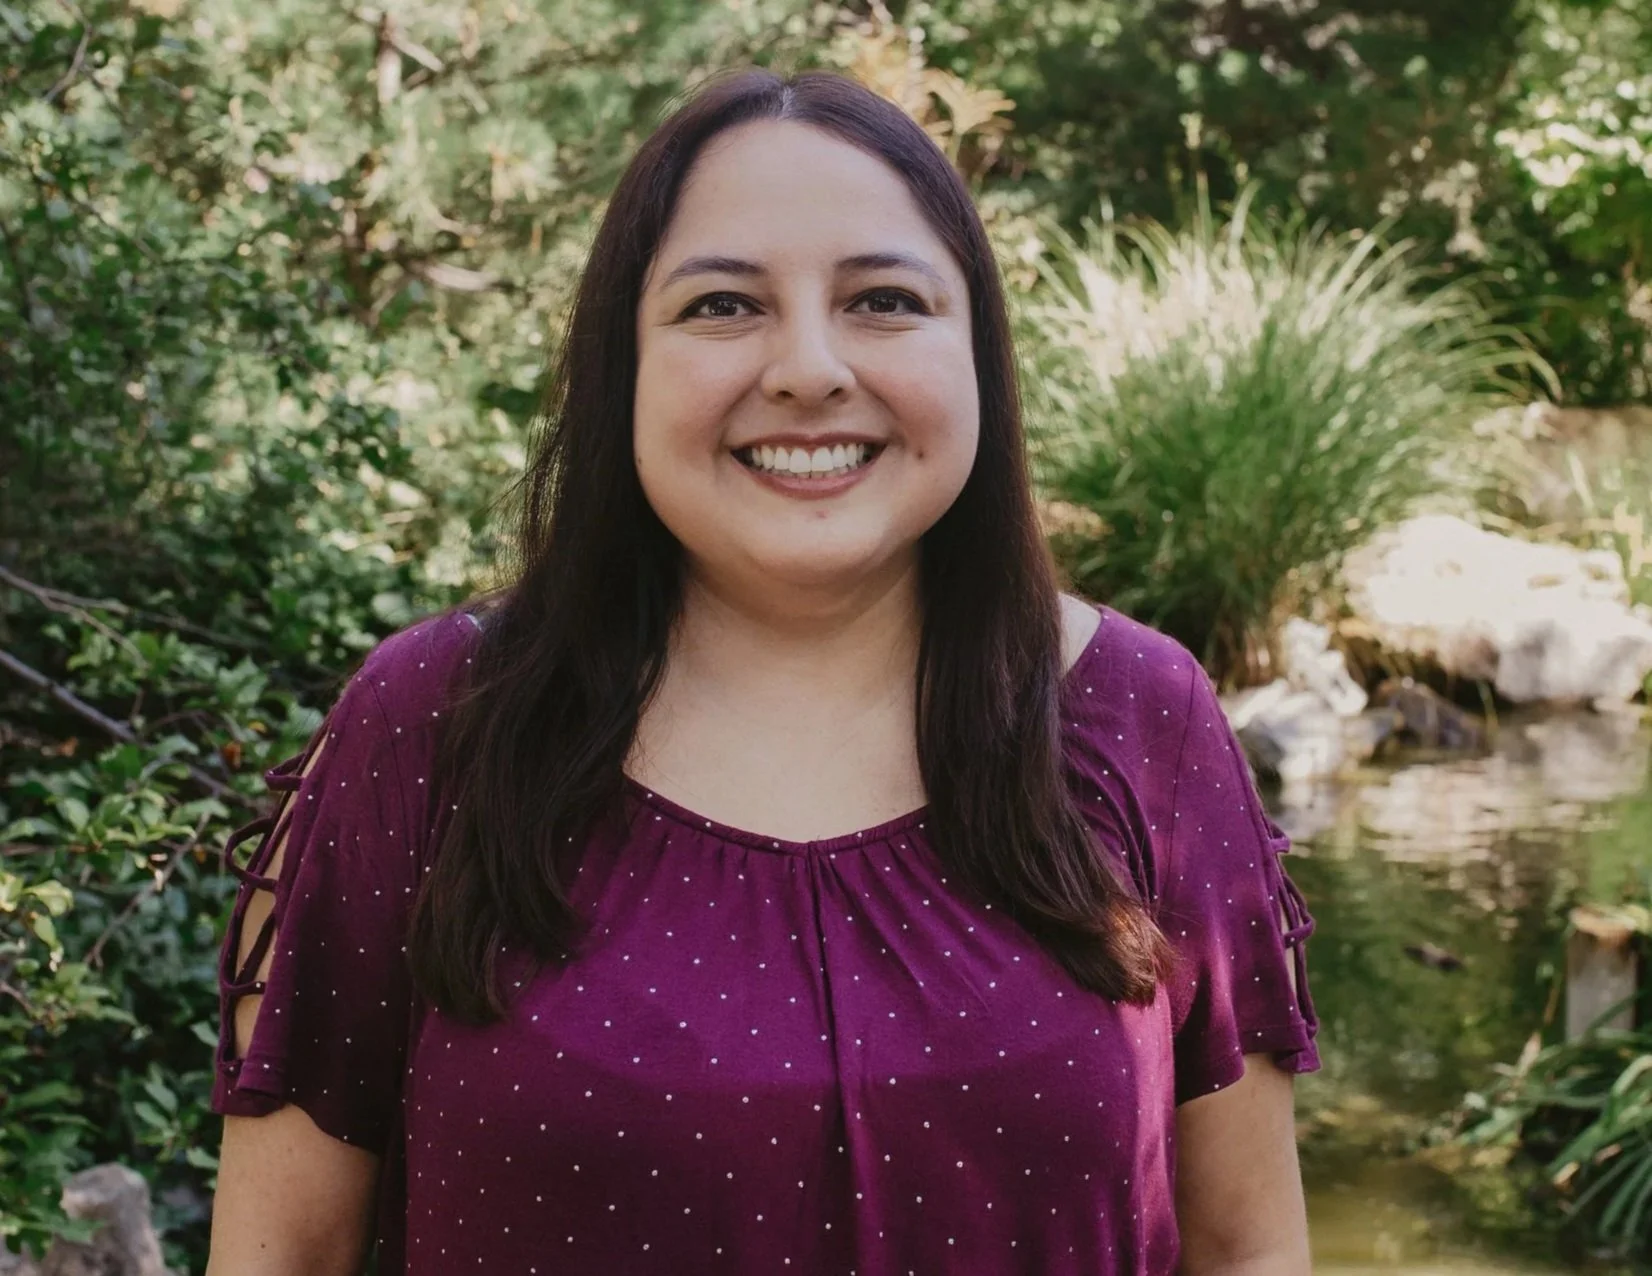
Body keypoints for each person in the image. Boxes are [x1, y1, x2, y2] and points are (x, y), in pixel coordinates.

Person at [204, 66, 1320, 1276]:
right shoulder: (433, 722)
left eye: (883, 300)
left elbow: (1244, 1242)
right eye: (723, 306)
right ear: (620, 365)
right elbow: (284, 1253)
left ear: (979, 357)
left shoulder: (1143, 717)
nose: (806, 369)